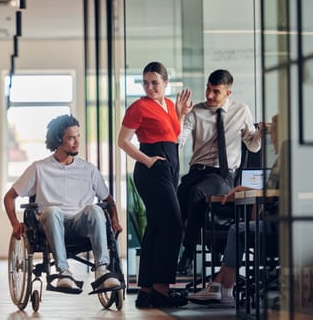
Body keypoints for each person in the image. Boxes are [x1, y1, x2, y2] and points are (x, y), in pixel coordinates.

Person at [3, 114, 123, 293]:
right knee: (52, 211)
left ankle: (102, 270)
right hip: (51, 224)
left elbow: (108, 201)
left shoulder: (88, 169)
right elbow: (9, 197)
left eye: (78, 137)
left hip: (80, 224)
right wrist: (14, 224)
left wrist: (115, 220)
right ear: (58, 140)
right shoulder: (39, 168)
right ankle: (64, 272)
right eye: (71, 138)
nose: (77, 142)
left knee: (95, 209)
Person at [117, 61, 193, 308]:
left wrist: (180, 113)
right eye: (146, 82)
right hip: (152, 166)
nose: (150, 87)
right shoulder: (139, 107)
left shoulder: (170, 105)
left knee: (157, 227)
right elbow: (122, 141)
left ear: (165, 83)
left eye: (155, 83)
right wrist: (148, 160)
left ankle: (146, 290)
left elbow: (173, 134)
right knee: (173, 226)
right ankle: (162, 288)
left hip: (170, 164)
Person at [176, 69, 263, 275]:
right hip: (196, 171)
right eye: (208, 89)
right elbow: (179, 140)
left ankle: (187, 255)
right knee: (176, 204)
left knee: (198, 192)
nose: (209, 96)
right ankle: (170, 253)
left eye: (216, 91)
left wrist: (259, 132)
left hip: (222, 175)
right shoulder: (196, 111)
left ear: (228, 93)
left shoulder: (241, 111)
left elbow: (253, 146)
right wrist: (179, 116)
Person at [187, 114, 280, 307]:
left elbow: (278, 191)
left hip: (280, 227)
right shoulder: (285, 159)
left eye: (274, 135)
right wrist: (243, 189)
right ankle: (220, 287)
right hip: (280, 223)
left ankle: (223, 288)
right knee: (240, 228)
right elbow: (271, 189)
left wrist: (253, 194)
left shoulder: (287, 160)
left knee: (237, 230)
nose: (272, 141)